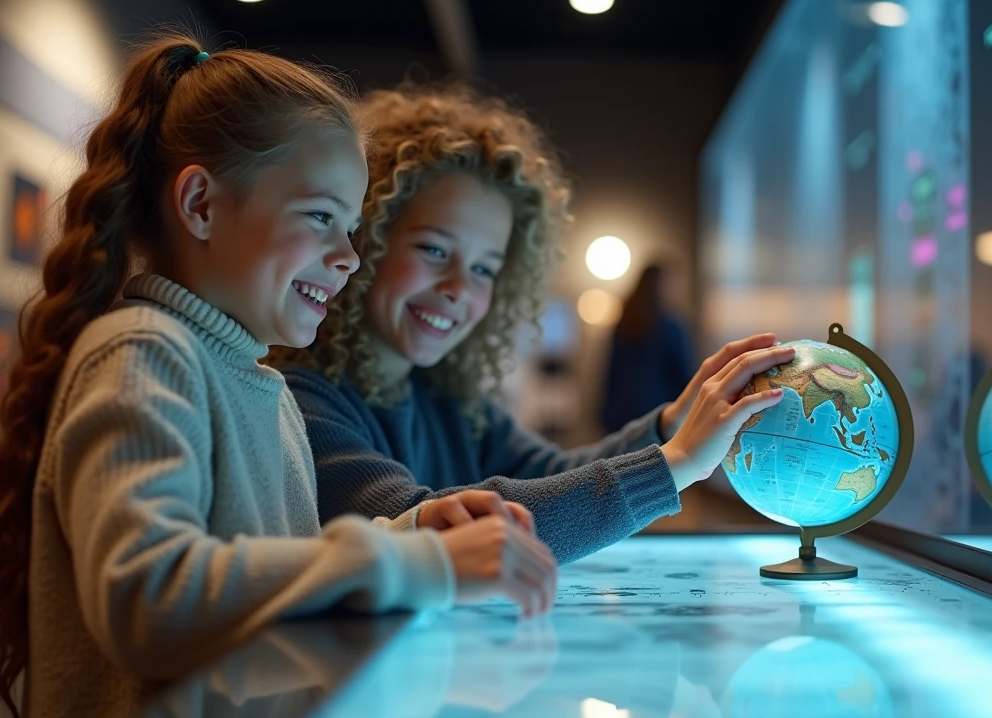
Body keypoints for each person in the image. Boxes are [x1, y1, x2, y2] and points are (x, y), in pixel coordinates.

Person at [0, 37, 555, 718]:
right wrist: (410, 558)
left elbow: (265, 588)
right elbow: (149, 599)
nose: (348, 257)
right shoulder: (141, 353)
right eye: (321, 218)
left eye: (352, 229)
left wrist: (414, 524)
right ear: (201, 204)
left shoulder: (258, 383)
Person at [272, 84, 793, 564]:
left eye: (484, 269)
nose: (459, 287)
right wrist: (675, 463)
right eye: (433, 249)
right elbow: (427, 524)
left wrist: (670, 425)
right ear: (364, 238)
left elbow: (550, 476)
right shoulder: (300, 403)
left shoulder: (447, 401)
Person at [601, 263, 696, 434]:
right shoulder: (671, 326)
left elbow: (611, 372)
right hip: (658, 416)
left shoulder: (624, 323)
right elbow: (683, 375)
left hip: (620, 414)